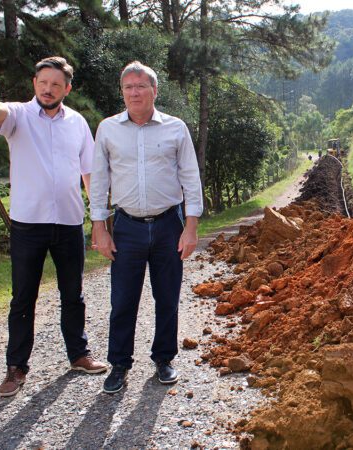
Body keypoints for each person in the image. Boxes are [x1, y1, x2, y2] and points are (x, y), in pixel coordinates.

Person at [0, 57, 108, 398]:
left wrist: (99, 219)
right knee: (23, 298)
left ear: (66, 88)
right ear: (35, 83)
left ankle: (78, 354)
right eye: (43, 82)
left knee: (73, 294)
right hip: (29, 223)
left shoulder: (77, 123)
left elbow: (88, 172)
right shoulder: (18, 116)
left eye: (56, 84)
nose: (48, 89)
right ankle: (16, 368)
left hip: (70, 222)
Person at [90, 61, 203, 394]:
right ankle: (119, 365)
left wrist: (191, 226)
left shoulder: (175, 128)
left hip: (169, 223)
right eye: (128, 87)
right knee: (123, 300)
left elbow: (190, 178)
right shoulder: (108, 129)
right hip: (126, 227)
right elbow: (99, 181)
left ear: (155, 90)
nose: (135, 92)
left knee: (166, 297)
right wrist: (100, 228)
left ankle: (164, 359)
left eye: (141, 86)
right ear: (122, 92)